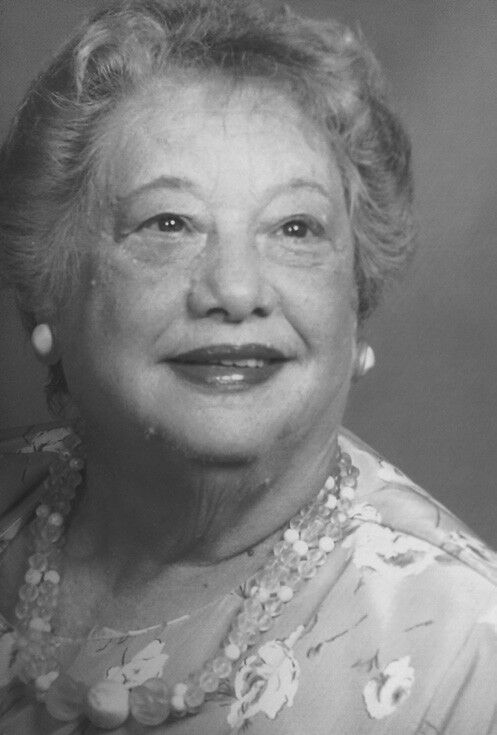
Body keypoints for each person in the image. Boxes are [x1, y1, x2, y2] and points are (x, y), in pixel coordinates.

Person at [0, 1, 497, 732]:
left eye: (295, 228)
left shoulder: (463, 654)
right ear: (52, 288)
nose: (235, 290)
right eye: (168, 223)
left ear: (354, 303)